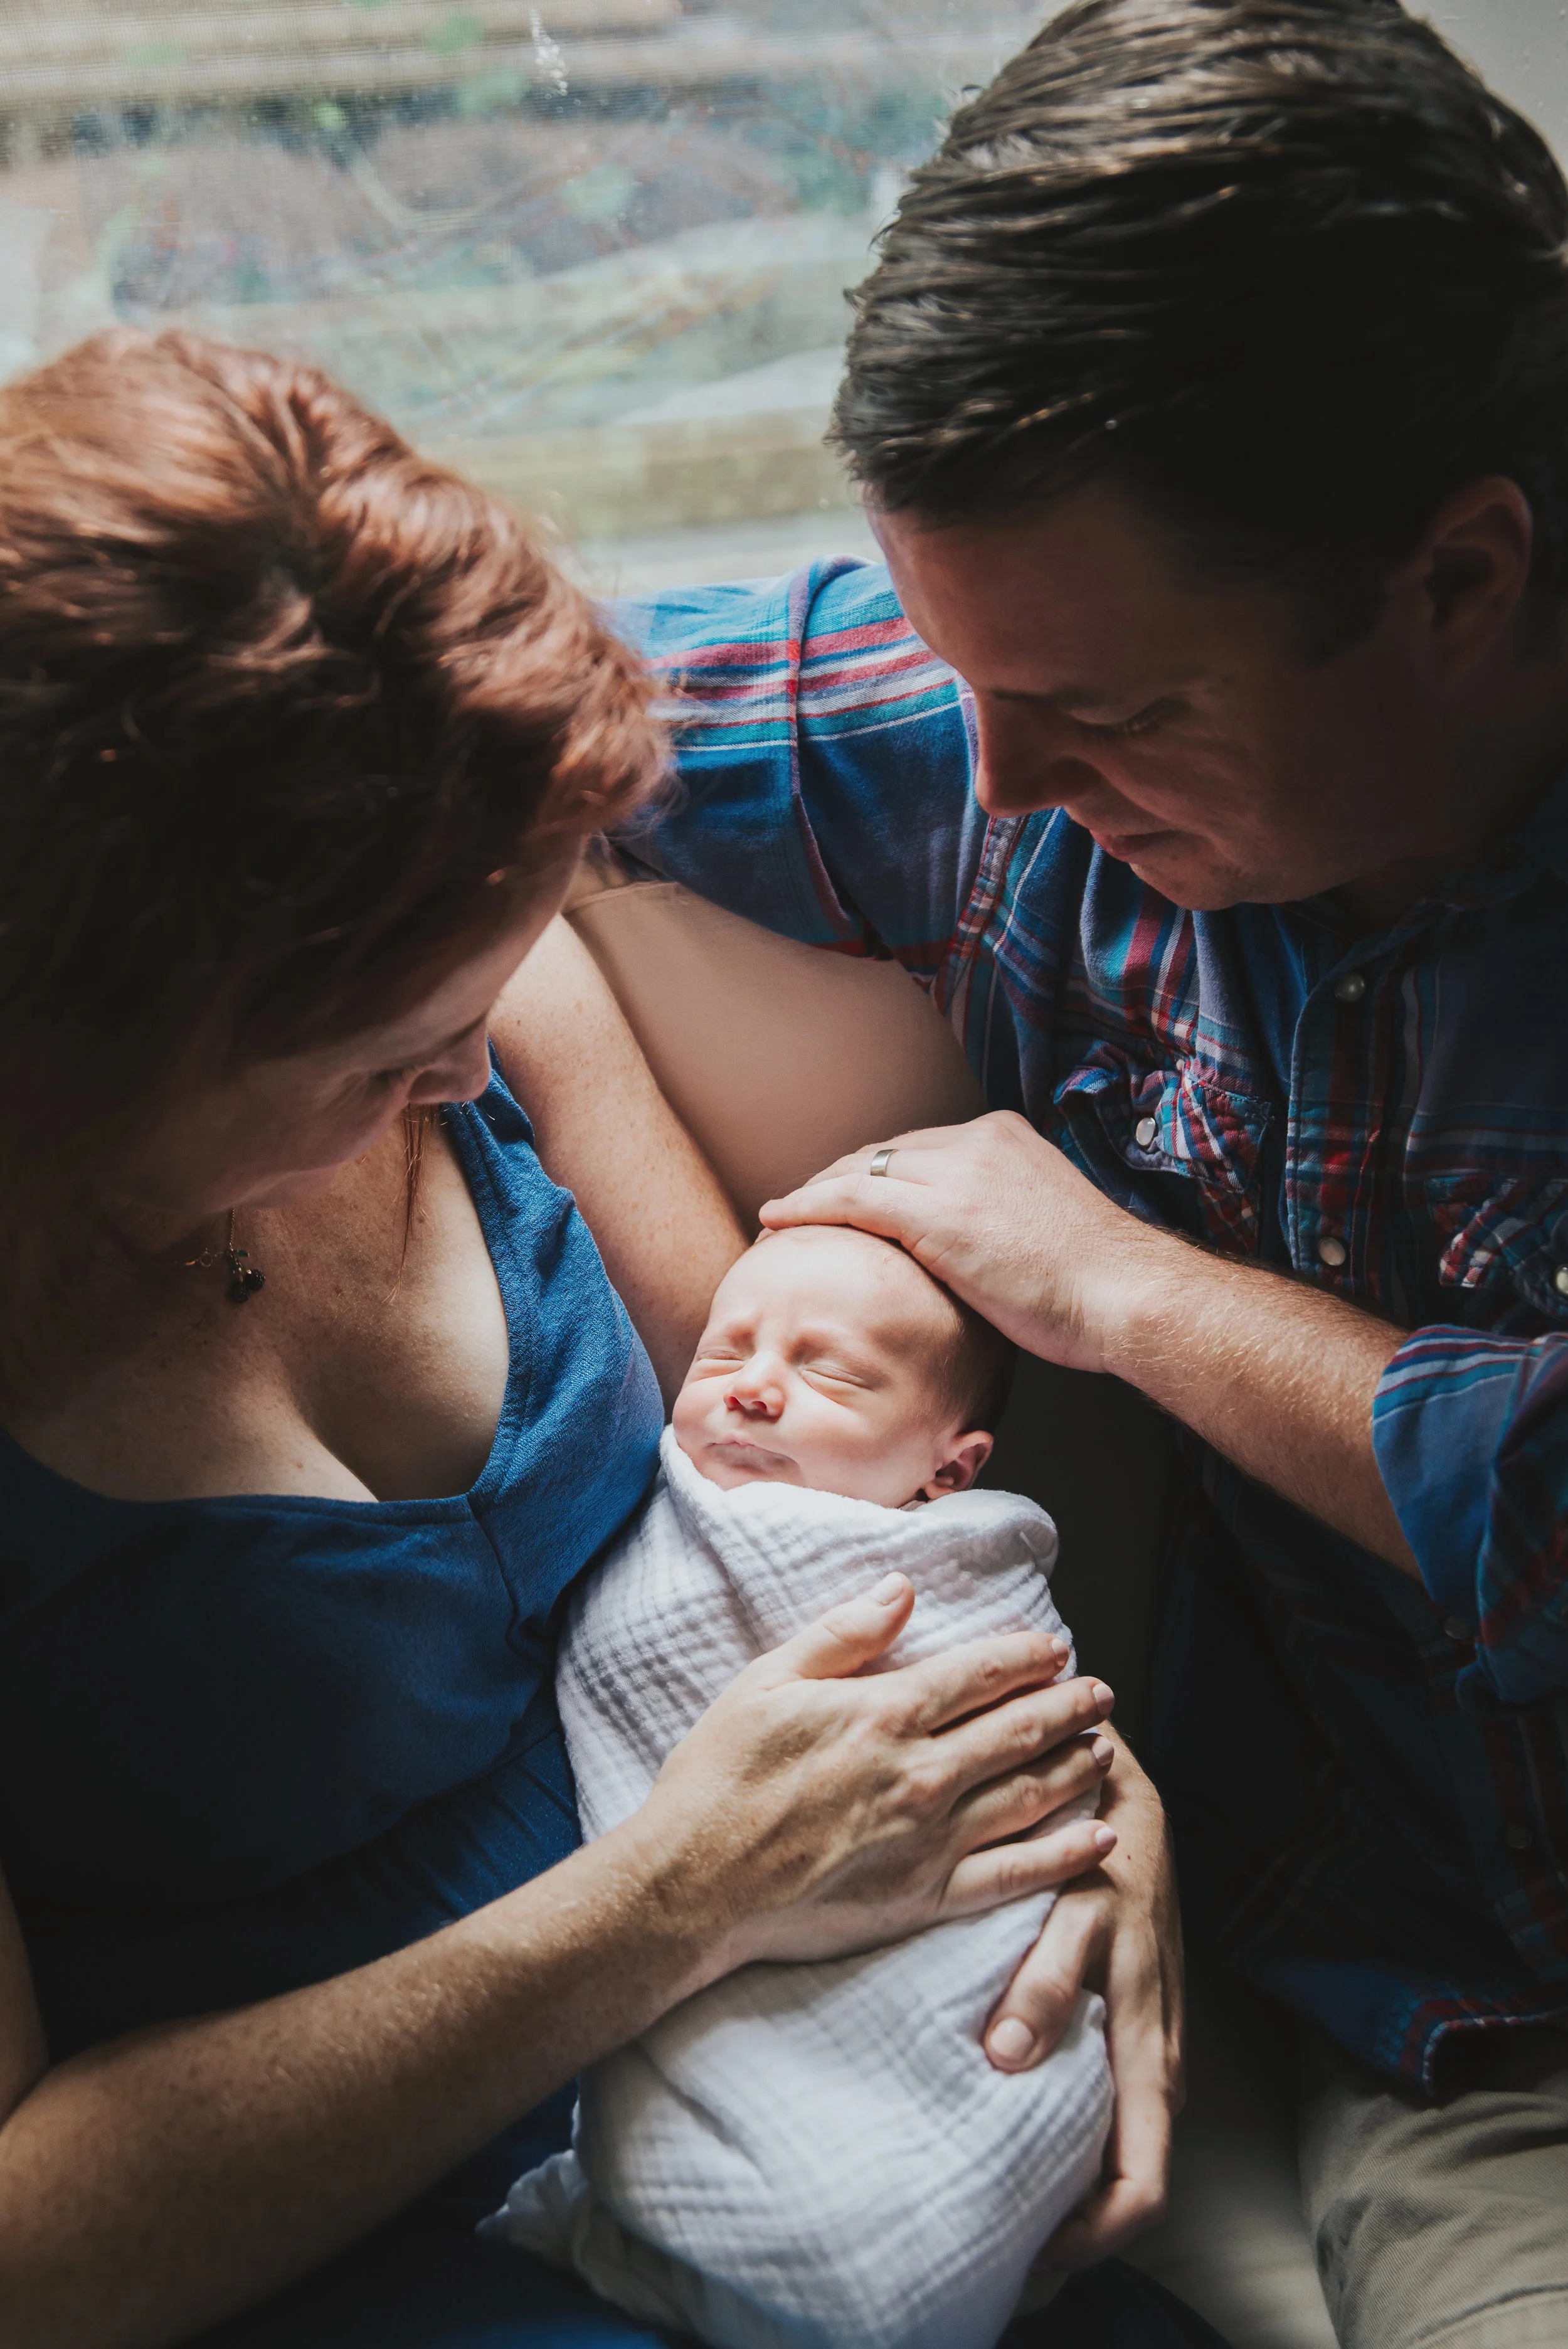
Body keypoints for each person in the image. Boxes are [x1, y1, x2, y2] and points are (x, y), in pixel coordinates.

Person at [0, 327, 1221, 2349]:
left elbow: (797, 1494)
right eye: (390, 1050)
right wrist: (677, 1898)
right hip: (319, 2241)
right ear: (84, 1058)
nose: (474, 1066)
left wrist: (1071, 1782)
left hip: (801, 2047)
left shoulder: (487, 993)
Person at [608, 4, 1568, 2345]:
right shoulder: (1015, 729)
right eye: (962, 670)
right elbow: (453, 709)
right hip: (1431, 2005)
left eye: (1117, 709)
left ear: (1459, 583)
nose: (1012, 780)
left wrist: (1124, 1290)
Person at [492, 1226, 1112, 2349]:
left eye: (830, 1373)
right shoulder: (661, 1506)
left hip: (938, 1974)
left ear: (950, 1469)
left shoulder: (956, 1567)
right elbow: (639, 1655)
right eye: (723, 1356)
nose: (757, 1391)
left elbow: (1037, 1729)